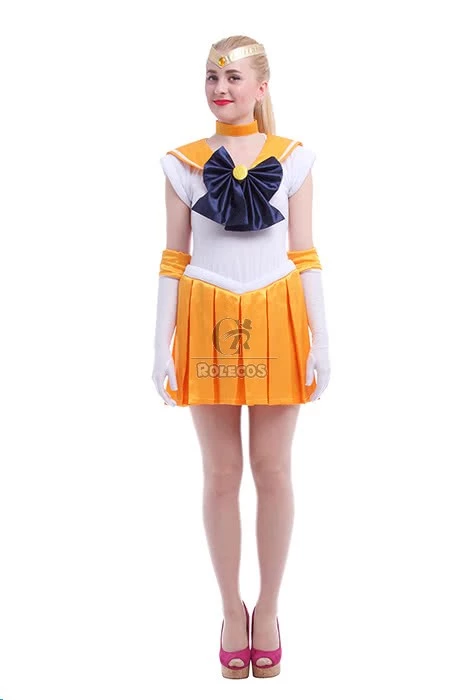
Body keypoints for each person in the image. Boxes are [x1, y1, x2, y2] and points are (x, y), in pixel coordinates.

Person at [152, 35, 330, 679]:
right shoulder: (183, 163)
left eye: (232, 77)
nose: (220, 88)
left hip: (278, 314)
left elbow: (304, 252)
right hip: (207, 318)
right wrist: (161, 344)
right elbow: (174, 257)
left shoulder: (296, 158)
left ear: (261, 86)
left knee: (274, 470)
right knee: (222, 473)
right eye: (211, 76)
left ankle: (270, 610)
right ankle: (231, 611)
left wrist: (321, 337)